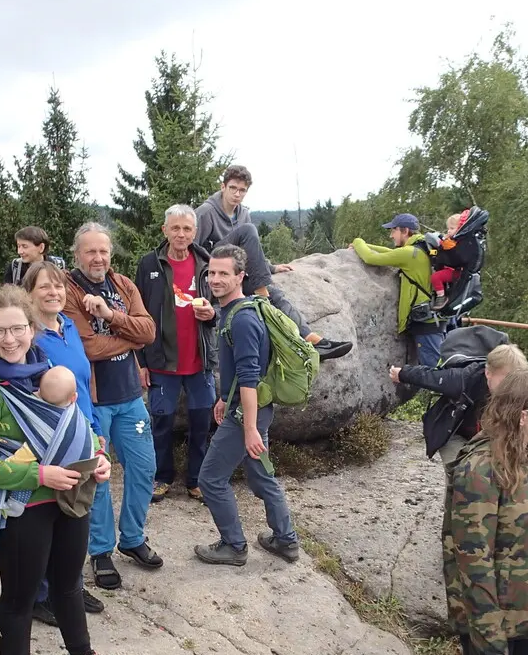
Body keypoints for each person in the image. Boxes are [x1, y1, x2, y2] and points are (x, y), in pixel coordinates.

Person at [0, 285, 109, 655]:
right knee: (19, 600)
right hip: (22, 509)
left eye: (17, 329)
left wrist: (97, 456)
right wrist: (40, 476)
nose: (9, 339)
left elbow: (76, 426)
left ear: (32, 328)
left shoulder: (48, 374)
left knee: (69, 587)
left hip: (68, 499)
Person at [61, 222, 163, 589]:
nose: (98, 258)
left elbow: (149, 332)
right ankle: (101, 550)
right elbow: (86, 347)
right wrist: (130, 337)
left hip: (130, 397)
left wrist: (109, 316)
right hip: (95, 401)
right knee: (99, 478)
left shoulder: (123, 285)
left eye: (103, 251)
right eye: (90, 251)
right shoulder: (69, 291)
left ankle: (133, 539)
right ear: (77, 254)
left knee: (144, 468)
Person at [445, 367, 528, 655]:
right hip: (491, 627)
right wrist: (490, 640)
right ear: (522, 415)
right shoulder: (479, 470)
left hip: (526, 618)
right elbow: (473, 562)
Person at [193, 244, 300, 566]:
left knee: (210, 480)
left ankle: (233, 545)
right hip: (249, 409)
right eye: (211, 272)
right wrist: (225, 397)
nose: (215, 279)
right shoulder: (235, 311)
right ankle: (286, 541)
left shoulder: (242, 319)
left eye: (224, 273)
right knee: (260, 476)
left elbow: (250, 377)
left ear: (241, 276)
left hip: (247, 415)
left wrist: (250, 428)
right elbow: (239, 370)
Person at [195, 165, 352, 361]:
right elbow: (191, 250)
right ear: (223, 186)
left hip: (236, 273)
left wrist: (270, 267)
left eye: (242, 190)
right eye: (233, 188)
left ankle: (311, 340)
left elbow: (249, 250)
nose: (237, 194)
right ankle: (263, 294)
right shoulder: (206, 212)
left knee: (276, 293)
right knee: (249, 232)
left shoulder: (243, 213)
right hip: (215, 271)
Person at [21, 260, 105, 619]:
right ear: (30, 293)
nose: (54, 292)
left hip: (81, 431)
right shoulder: (28, 337)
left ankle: (67, 586)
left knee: (75, 512)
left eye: (58, 285)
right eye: (44, 287)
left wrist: (96, 432)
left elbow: (83, 384)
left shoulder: (69, 325)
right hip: (50, 438)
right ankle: (40, 595)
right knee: (48, 515)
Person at [134, 204, 218, 503]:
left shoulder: (207, 262)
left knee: (201, 423)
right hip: (161, 361)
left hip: (199, 362)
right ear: (165, 230)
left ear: (194, 232)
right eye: (175, 228)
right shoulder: (148, 265)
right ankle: (162, 477)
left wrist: (213, 313)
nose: (181, 234)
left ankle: (197, 480)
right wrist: (141, 361)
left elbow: (224, 301)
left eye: (187, 229)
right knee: (161, 423)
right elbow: (137, 312)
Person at [390, 337, 528, 467]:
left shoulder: (522, 389)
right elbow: (432, 377)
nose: (510, 387)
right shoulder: (465, 378)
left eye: (515, 381)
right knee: (459, 472)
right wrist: (402, 374)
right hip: (456, 434)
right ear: (488, 373)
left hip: (488, 438)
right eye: (505, 380)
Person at [353, 213, 445, 367]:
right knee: (439, 365)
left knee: (435, 372)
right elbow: (391, 253)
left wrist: (358, 241)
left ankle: (448, 392)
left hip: (425, 323)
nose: (391, 235)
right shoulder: (423, 246)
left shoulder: (409, 253)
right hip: (434, 317)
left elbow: (370, 258)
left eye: (393, 230)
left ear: (405, 231)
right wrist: (367, 245)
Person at [431, 211, 466, 310]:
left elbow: (450, 251)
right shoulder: (452, 241)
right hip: (450, 268)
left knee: (435, 277)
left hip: (455, 271)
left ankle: (441, 297)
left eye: (452, 228)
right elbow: (439, 252)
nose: (448, 231)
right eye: (448, 229)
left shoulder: (453, 243)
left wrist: (444, 242)